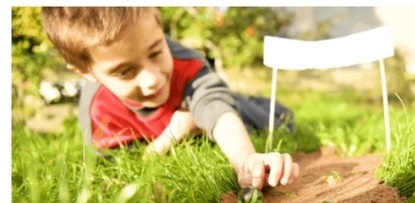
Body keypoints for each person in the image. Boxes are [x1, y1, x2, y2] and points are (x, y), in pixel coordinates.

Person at [40, 7, 299, 189]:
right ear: (87, 72)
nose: (151, 79)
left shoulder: (186, 62)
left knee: (277, 119)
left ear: (159, 25)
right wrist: (176, 131)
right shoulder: (97, 111)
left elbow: (216, 107)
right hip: (177, 123)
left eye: (155, 53)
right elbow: (119, 167)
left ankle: (252, 102)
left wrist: (245, 160)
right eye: (125, 71)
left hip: (226, 107)